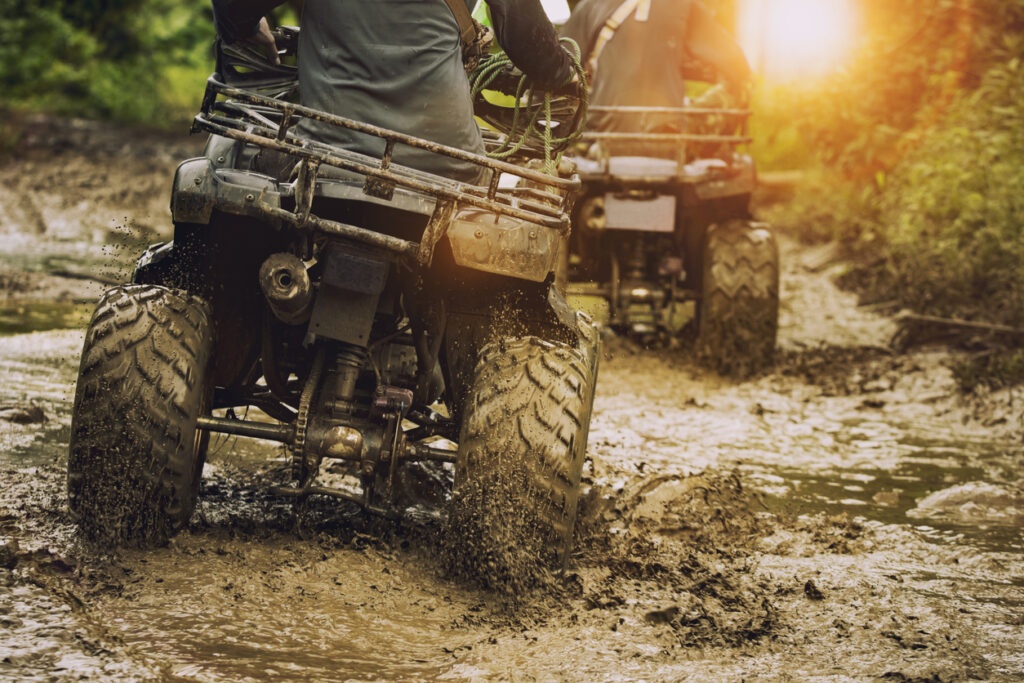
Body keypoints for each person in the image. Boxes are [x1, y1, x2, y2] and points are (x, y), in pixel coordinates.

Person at [211, 0, 575, 182]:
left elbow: (232, 7)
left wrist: (247, 26)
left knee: (226, 158)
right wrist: (565, 74)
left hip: (328, 156)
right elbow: (530, 44)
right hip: (449, 163)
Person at [561, 0, 752, 155]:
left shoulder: (590, 5)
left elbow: (562, 68)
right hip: (666, 133)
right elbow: (735, 63)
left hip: (598, 134)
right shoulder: (684, 6)